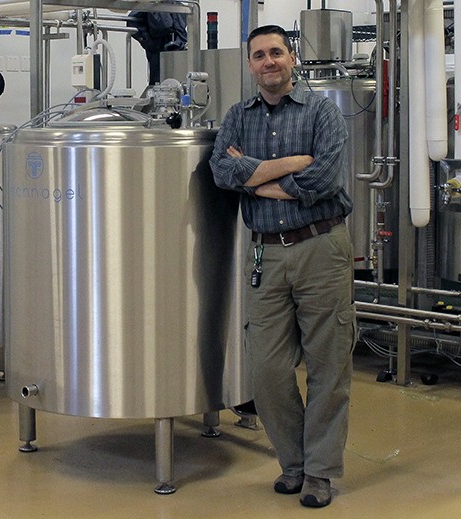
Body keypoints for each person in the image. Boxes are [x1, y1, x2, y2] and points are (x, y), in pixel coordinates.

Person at [210, 25, 355, 508]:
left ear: (291, 58)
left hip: (322, 248)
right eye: (259, 55)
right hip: (265, 253)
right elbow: (221, 172)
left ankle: (319, 472)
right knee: (267, 369)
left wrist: (252, 178)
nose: (269, 61)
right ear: (250, 65)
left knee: (327, 365)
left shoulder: (324, 113)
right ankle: (292, 463)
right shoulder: (236, 116)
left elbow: (324, 180)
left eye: (276, 52)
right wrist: (291, 163)